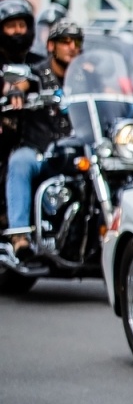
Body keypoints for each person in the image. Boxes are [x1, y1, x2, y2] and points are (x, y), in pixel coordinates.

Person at [5, 18, 82, 255]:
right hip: (40, 150)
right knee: (19, 162)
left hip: (74, 151)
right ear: (51, 46)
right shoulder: (37, 73)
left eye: (76, 42)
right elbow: (20, 83)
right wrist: (16, 91)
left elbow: (110, 92)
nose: (72, 47)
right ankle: (19, 235)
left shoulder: (84, 77)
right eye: (65, 41)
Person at [0, 0, 34, 230]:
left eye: (21, 25)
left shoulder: (36, 61)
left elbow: (37, 77)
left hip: (33, 136)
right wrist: (12, 89)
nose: (17, 31)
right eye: (11, 26)